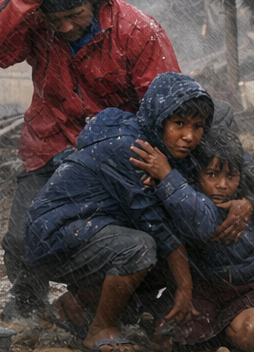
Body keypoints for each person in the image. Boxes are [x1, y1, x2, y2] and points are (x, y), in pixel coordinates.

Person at [0, 0, 180, 319]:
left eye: (74, 16)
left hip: (116, 157)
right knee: (23, 239)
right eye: (56, 20)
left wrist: (154, 161)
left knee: (138, 241)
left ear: (95, 1)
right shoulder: (35, 22)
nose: (65, 28)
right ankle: (27, 307)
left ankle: (105, 303)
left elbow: (164, 108)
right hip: (49, 145)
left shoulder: (138, 30)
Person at [23, 72, 213, 352]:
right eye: (179, 123)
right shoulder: (132, 148)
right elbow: (155, 225)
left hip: (90, 231)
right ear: (159, 119)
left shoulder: (164, 153)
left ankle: (76, 304)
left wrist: (169, 177)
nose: (189, 136)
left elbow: (200, 217)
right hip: (55, 234)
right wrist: (185, 287)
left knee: (171, 253)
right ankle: (102, 327)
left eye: (198, 127)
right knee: (140, 247)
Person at [132, 127, 254, 351]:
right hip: (203, 291)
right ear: (196, 174)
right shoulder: (182, 201)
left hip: (249, 289)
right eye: (212, 175)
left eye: (230, 176)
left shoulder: (248, 203)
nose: (222, 185)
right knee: (165, 337)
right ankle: (222, 338)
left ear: (240, 176)